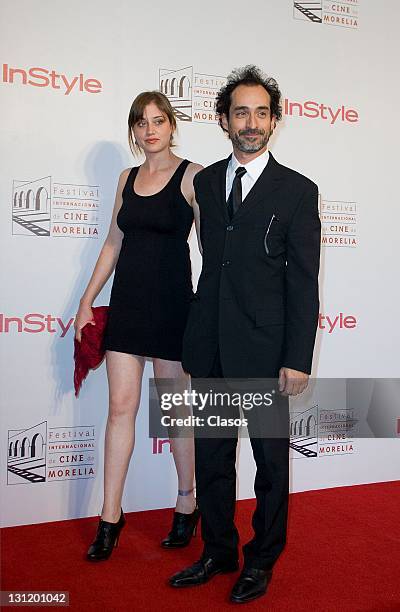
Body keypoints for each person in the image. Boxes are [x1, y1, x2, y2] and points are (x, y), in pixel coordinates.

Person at [169, 66, 321, 603]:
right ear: (223, 120)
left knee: (269, 464)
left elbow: (304, 283)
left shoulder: (299, 191)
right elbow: (209, 267)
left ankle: (262, 557)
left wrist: (297, 357)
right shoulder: (206, 183)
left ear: (275, 121)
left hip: (265, 348)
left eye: (261, 113)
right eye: (241, 112)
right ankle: (218, 549)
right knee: (211, 455)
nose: (251, 123)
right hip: (208, 343)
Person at [74, 90, 203, 561]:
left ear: (172, 125)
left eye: (158, 120)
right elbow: (112, 242)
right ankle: (110, 517)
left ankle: (187, 502)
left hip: (173, 308)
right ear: (134, 130)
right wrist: (87, 301)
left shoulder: (193, 177)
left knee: (174, 412)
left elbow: (212, 250)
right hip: (127, 305)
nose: (150, 129)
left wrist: (210, 311)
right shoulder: (126, 178)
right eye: (141, 122)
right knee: (120, 409)